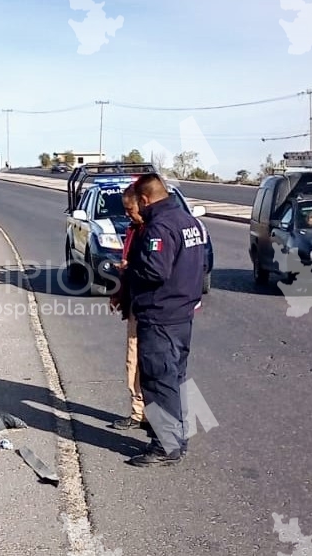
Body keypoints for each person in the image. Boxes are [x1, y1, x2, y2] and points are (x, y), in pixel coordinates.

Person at [122, 173, 205, 467]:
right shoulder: (188, 221)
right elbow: (203, 263)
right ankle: (177, 439)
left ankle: (164, 446)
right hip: (183, 314)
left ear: (145, 199)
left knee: (157, 381)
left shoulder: (160, 227)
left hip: (160, 315)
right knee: (175, 379)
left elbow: (155, 271)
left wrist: (129, 271)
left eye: (138, 206)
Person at [109, 183, 149, 431]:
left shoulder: (153, 232)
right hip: (136, 302)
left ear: (143, 203)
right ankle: (139, 412)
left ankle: (144, 414)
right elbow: (127, 265)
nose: (126, 214)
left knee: (144, 361)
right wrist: (119, 293)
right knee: (133, 360)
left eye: (129, 208)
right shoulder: (134, 230)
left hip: (152, 308)